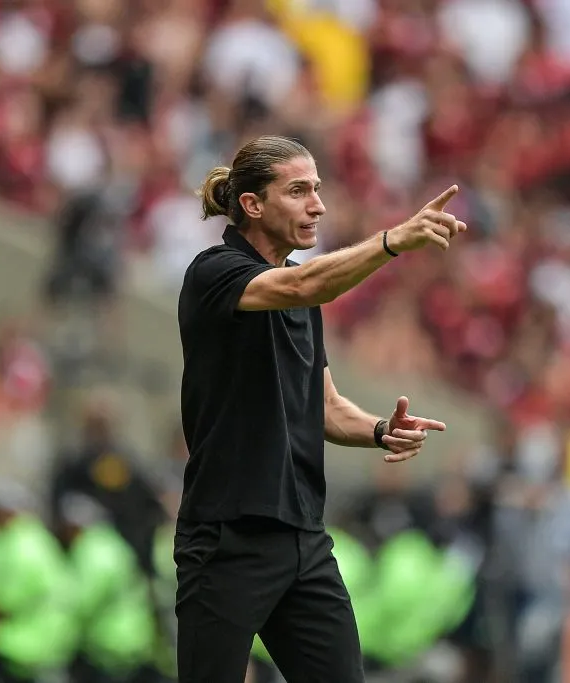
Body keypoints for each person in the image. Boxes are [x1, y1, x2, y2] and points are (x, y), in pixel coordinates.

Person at [175, 135, 467, 682]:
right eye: (298, 191)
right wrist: (392, 241)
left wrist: (380, 429)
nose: (318, 204)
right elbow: (304, 282)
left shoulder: (302, 303)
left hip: (303, 539)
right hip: (228, 536)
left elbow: (327, 407)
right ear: (252, 205)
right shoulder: (214, 273)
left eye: (318, 189)